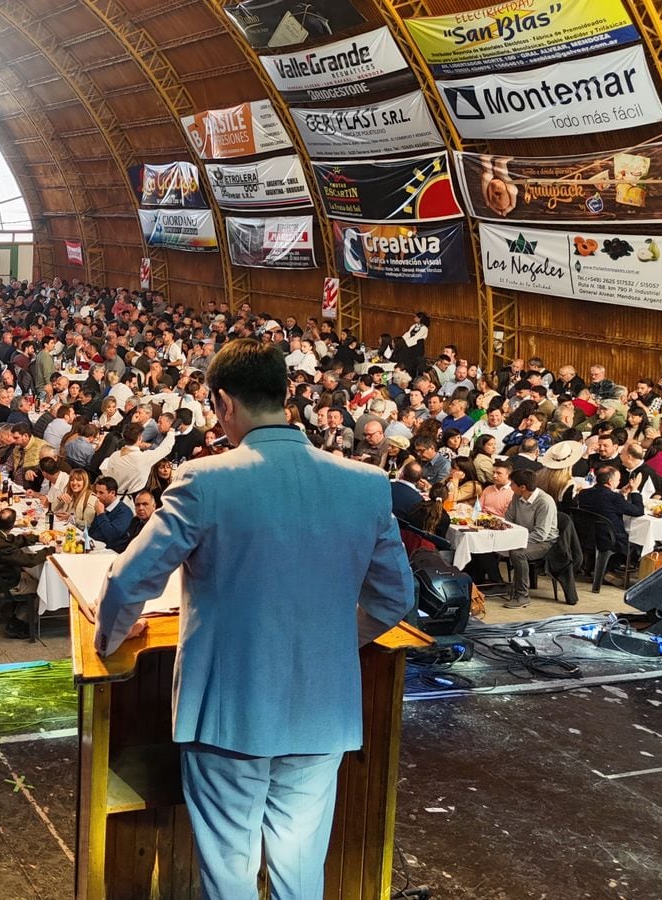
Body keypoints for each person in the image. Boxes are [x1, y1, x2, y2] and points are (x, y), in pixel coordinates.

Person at [95, 338, 413, 900]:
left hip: (228, 711)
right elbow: (395, 598)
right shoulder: (365, 483)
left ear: (221, 403)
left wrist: (111, 640)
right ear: (286, 394)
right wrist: (338, 638)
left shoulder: (206, 479)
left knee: (230, 869)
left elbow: (127, 580)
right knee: (299, 867)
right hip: (323, 708)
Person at [0, 506, 57, 638]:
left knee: (30, 576)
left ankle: (18, 614)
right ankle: (19, 623)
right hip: (5, 584)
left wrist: (35, 538)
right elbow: (29, 560)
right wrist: (51, 550)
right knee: (40, 586)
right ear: (12, 525)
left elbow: (11, 541)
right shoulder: (1, 546)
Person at [502, 467, 558, 609]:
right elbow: (508, 519)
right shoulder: (517, 496)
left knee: (518, 553)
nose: (510, 486)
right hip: (521, 536)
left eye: (512, 484)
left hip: (544, 542)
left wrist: (517, 540)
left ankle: (522, 595)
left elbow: (541, 534)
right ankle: (497, 582)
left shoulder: (544, 502)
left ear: (522, 487)